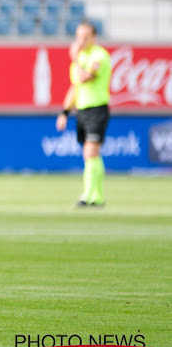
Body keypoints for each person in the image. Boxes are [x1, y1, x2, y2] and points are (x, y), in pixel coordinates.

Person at [56, 21, 111, 208]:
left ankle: (87, 196)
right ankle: (98, 196)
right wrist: (64, 112)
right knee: (91, 155)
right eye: (79, 37)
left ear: (94, 37)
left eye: (85, 37)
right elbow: (75, 87)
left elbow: (83, 78)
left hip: (97, 108)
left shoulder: (99, 56)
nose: (81, 41)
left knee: (90, 152)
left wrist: (74, 58)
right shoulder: (81, 59)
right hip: (82, 110)